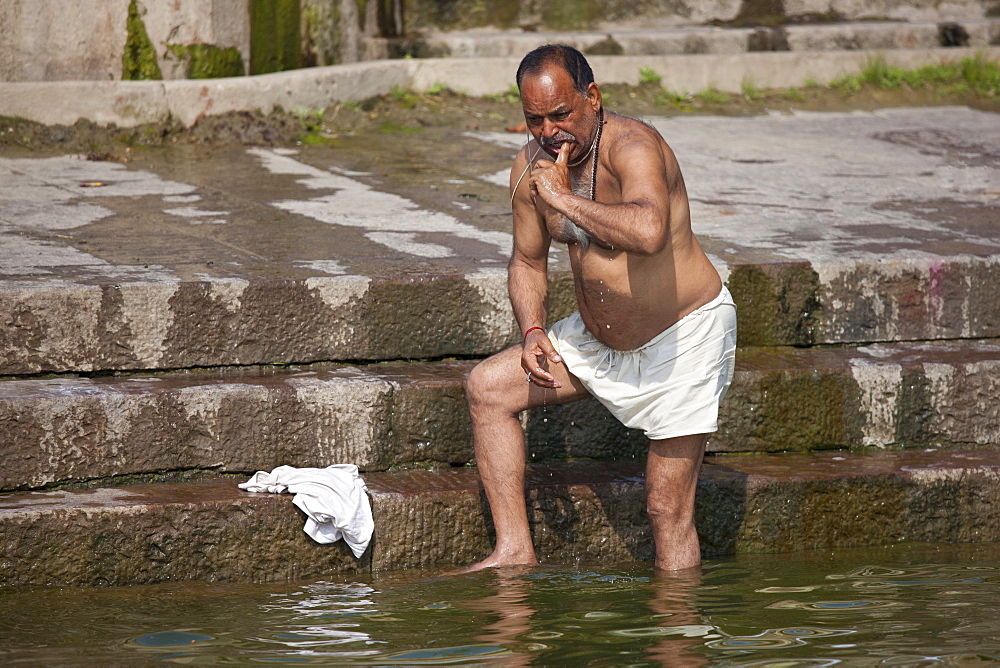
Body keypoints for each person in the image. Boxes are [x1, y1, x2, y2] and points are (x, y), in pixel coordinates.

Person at [463, 44, 737, 572]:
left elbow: (649, 231)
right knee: (487, 389)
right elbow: (526, 260)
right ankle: (514, 549)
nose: (548, 132)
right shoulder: (530, 167)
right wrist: (533, 328)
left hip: (684, 337)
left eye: (560, 114)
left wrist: (563, 200)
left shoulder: (634, 146)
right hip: (597, 342)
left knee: (666, 506)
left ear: (592, 97)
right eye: (534, 119)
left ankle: (678, 641)